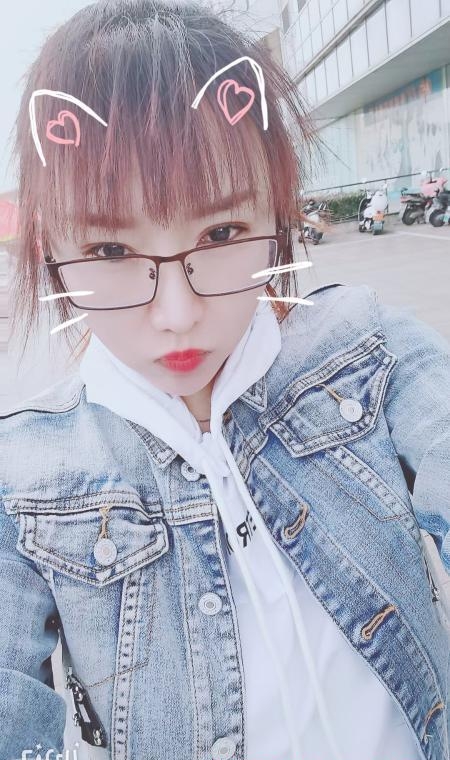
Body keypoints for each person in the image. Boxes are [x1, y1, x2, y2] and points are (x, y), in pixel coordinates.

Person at [1, 2, 450, 759]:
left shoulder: (366, 349)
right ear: (52, 252)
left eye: (221, 233)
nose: (177, 315)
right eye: (110, 251)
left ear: (277, 217)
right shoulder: (28, 475)